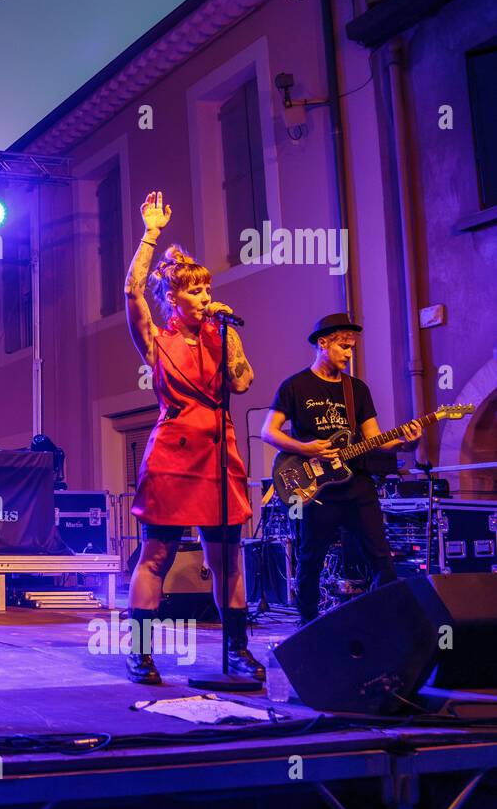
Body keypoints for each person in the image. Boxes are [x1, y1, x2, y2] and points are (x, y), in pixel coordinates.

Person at [123, 191, 263, 685]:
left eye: (208, 290)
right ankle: (139, 651)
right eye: (197, 293)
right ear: (174, 298)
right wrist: (151, 234)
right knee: (157, 554)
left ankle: (237, 650)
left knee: (226, 556)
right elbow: (132, 292)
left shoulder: (220, 335)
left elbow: (242, 382)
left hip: (218, 455)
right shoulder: (157, 341)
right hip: (172, 455)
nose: (206, 298)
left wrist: (227, 336)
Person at [259, 313, 422, 624]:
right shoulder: (295, 386)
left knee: (381, 558)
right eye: (344, 347)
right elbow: (269, 432)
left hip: (356, 483)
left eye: (352, 348)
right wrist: (306, 448)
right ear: (324, 344)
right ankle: (307, 627)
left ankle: (379, 626)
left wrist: (405, 443)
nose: (349, 353)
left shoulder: (356, 389)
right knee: (310, 560)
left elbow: (374, 439)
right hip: (316, 487)